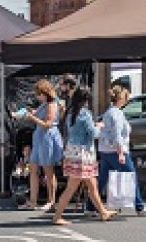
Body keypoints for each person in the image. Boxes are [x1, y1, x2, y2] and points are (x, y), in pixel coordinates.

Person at [53, 86, 114, 226]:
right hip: (83, 154)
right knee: (72, 188)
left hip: (72, 151)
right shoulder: (85, 114)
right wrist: (99, 126)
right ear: (86, 100)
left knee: (92, 185)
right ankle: (57, 217)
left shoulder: (70, 113)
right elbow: (93, 134)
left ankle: (103, 212)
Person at [96, 84, 146, 215]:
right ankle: (139, 206)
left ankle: (91, 205)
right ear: (121, 99)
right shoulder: (116, 114)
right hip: (116, 150)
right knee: (130, 175)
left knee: (102, 179)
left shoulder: (109, 112)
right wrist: (121, 153)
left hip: (105, 149)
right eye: (126, 97)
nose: (127, 99)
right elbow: (117, 134)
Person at [21, 79, 64, 210]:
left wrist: (32, 117)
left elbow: (48, 124)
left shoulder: (52, 104)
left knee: (48, 170)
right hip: (39, 137)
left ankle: (51, 201)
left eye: (39, 94)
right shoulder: (44, 104)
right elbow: (38, 115)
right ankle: (33, 201)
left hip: (47, 137)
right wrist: (27, 113)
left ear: (45, 93)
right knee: (33, 168)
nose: (37, 96)